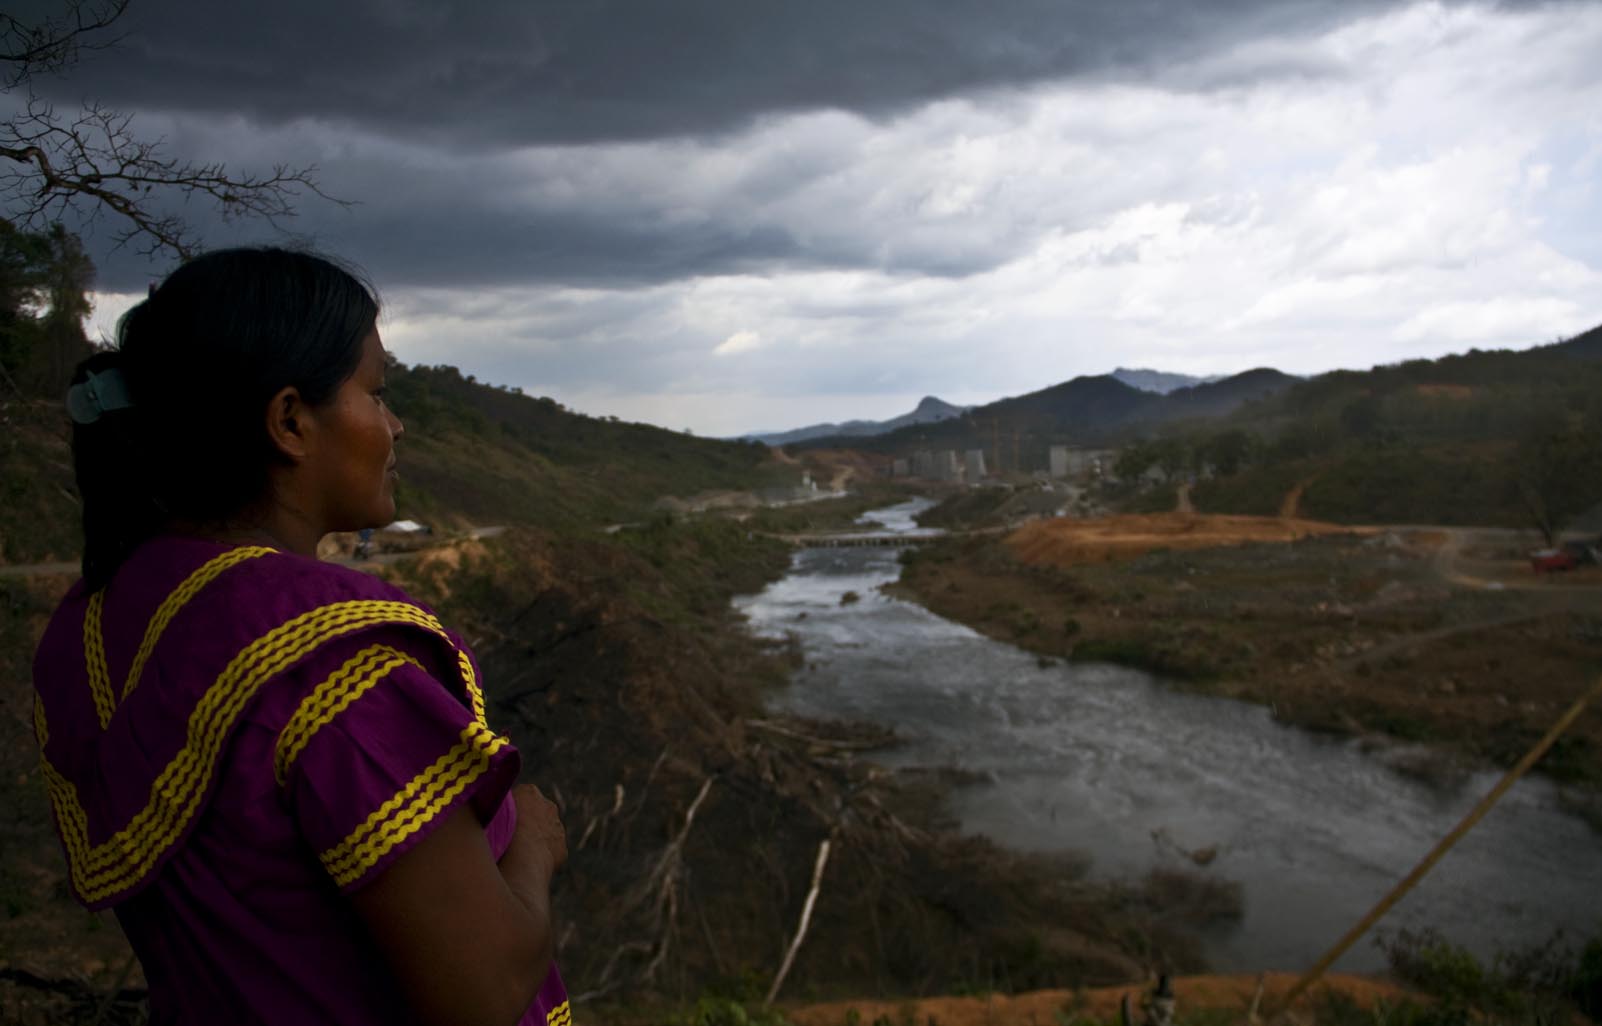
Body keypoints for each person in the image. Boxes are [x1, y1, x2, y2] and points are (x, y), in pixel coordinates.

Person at [31, 248, 570, 1026]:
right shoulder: (330, 658)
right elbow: (480, 994)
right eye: (376, 394)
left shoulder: (98, 623)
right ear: (289, 421)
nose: (396, 423)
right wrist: (536, 848)